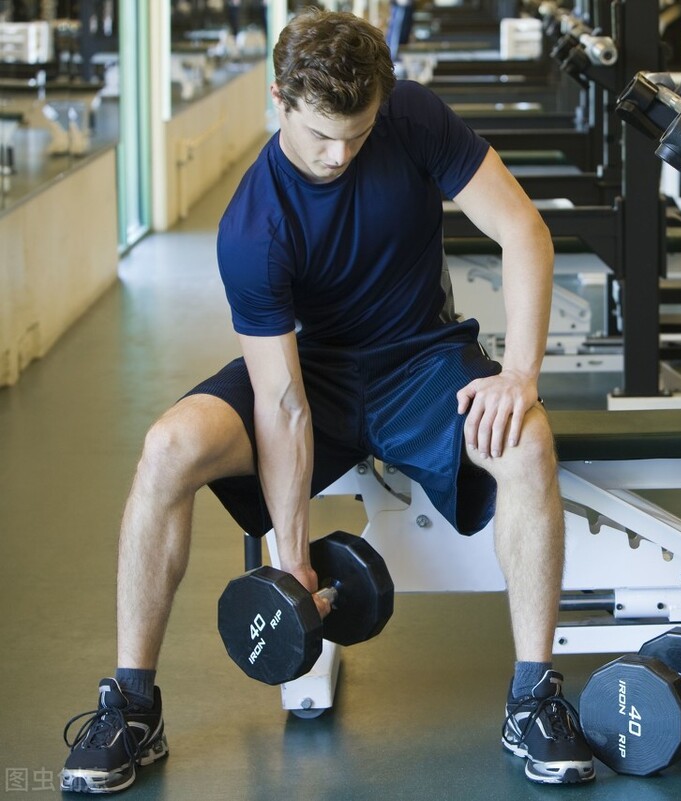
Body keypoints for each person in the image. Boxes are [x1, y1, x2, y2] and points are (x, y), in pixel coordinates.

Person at [59, 8, 594, 794]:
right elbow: (282, 406)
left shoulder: (410, 115)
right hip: (315, 373)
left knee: (527, 442)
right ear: (280, 100)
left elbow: (524, 233)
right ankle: (132, 705)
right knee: (168, 447)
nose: (339, 154)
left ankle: (533, 696)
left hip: (422, 358)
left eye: (356, 133)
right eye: (320, 136)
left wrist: (518, 374)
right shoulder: (253, 225)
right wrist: (293, 560)